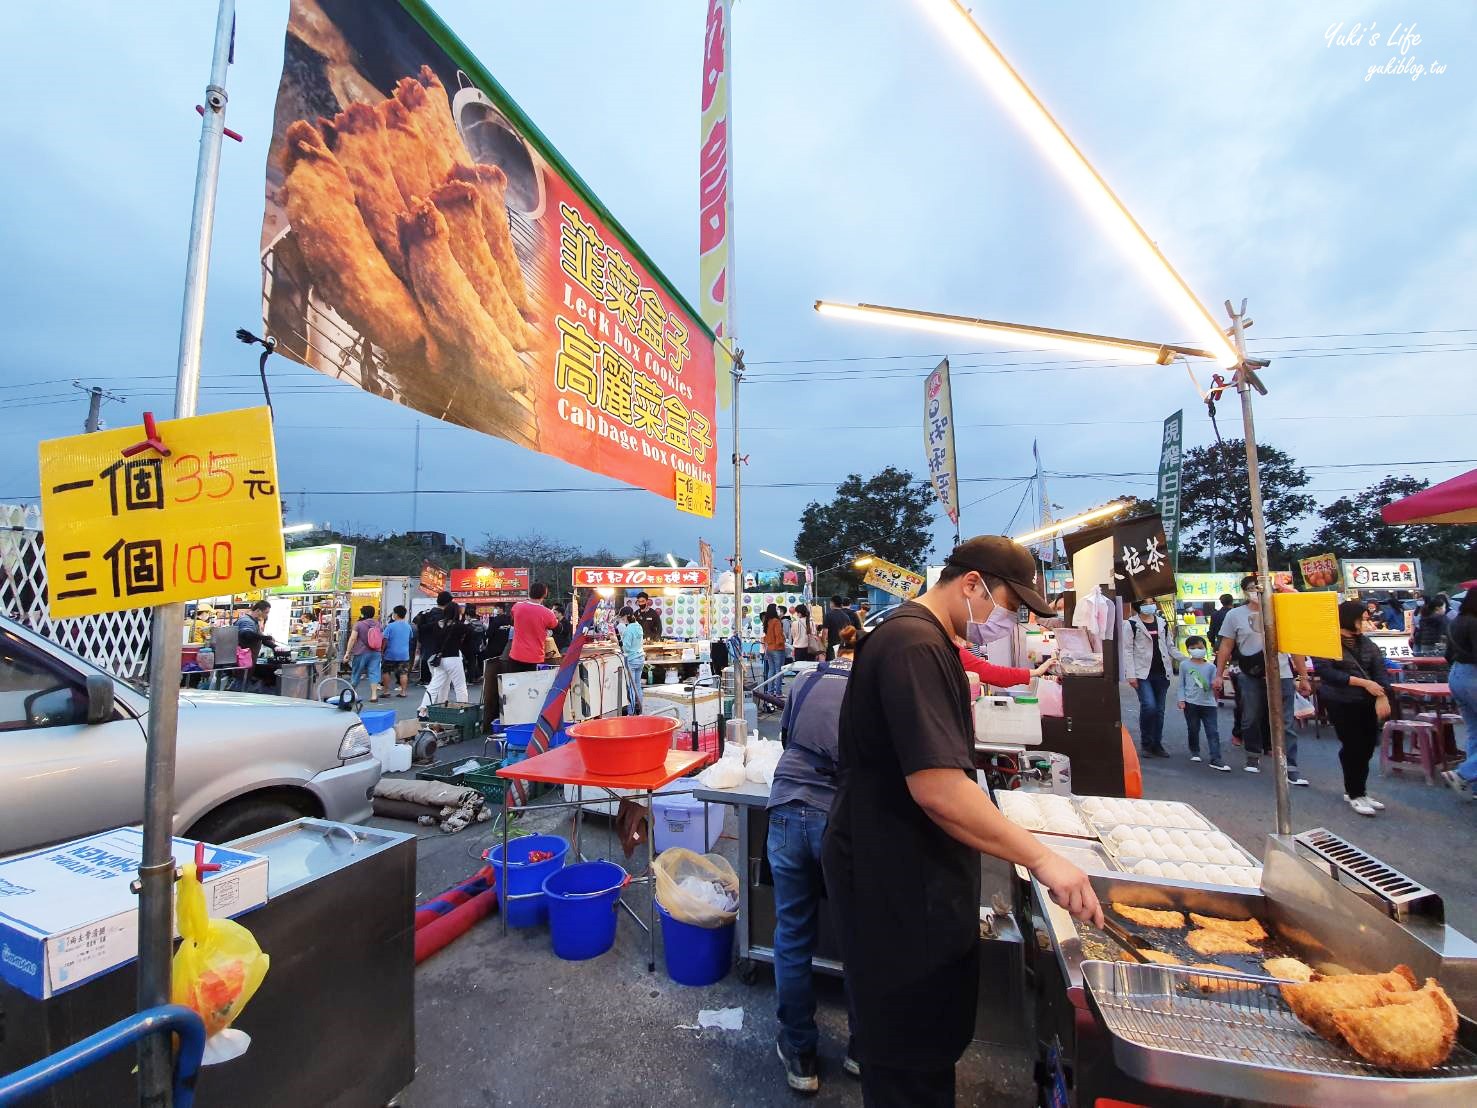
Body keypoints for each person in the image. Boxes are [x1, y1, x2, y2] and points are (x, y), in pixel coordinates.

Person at [822, 536, 1101, 1106]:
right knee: (907, 1060)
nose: (1011, 619)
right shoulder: (913, 645)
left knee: (920, 1050)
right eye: (1011, 604)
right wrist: (1043, 858)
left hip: (906, 875)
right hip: (894, 884)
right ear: (972, 583)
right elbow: (939, 790)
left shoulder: (923, 640)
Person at [769, 625, 861, 1093]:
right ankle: (862, 1050)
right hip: (838, 819)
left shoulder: (804, 679)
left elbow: (787, 739)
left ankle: (801, 1054)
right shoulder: (872, 689)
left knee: (791, 932)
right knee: (861, 935)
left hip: (786, 808)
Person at [1213, 575, 1312, 783]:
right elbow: (1226, 646)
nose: (1256, 591)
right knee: (1251, 716)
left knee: (1285, 722)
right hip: (1250, 674)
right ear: (1244, 591)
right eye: (1252, 588)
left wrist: (1303, 677)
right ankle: (1253, 755)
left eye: (1260, 587)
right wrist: (1219, 674)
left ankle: (1290, 765)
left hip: (1282, 674)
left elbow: (1295, 648)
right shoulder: (1234, 615)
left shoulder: (1282, 612)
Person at [1314, 601, 1394, 816]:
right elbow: (1328, 673)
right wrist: (1363, 683)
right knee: (1353, 745)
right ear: (1351, 619)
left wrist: (1381, 695)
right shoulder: (1326, 642)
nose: (1366, 621)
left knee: (1367, 745)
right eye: (1362, 617)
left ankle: (1360, 790)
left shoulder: (1367, 644)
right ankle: (1355, 792)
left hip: (1367, 701)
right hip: (1341, 701)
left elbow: (1380, 672)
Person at [1121, 598, 1182, 759]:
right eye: (1145, 603)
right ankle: (1146, 743)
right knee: (1149, 706)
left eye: (1151, 602)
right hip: (1143, 673)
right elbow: (1127, 650)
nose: (1150, 605)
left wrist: (1186, 659)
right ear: (1138, 606)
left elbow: (1170, 646)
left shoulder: (1162, 622)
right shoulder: (1131, 624)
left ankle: (1157, 744)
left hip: (1162, 672)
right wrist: (1131, 674)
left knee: (1160, 710)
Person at [1442, 591, 1477, 798]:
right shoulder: (1474, 623)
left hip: (1456, 675)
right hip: (1473, 675)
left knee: (1474, 733)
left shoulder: (1456, 621)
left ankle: (1474, 785)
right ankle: (1464, 774)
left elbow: (1447, 655)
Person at [1177, 635, 1228, 770]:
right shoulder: (1184, 665)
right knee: (1193, 728)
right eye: (1193, 648)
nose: (1197, 650)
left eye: (1200, 647)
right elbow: (1181, 684)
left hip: (1209, 704)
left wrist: (1217, 685)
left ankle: (1216, 757)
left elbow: (1214, 683)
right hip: (1191, 703)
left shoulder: (1211, 667)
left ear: (1205, 649)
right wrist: (1181, 699)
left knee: (1212, 731)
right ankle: (1194, 750)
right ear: (1188, 650)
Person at [419, 602, 469, 714]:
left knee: (434, 686)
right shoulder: (459, 626)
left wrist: (423, 616)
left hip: (439, 659)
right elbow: (469, 633)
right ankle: (464, 710)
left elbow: (422, 628)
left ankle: (423, 709)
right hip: (454, 659)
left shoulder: (437, 624)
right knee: (460, 686)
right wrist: (462, 618)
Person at [508, 583, 560, 672]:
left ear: (530, 592)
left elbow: (513, 620)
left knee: (517, 684)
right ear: (545, 594)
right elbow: (557, 628)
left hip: (516, 655)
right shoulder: (547, 613)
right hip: (535, 657)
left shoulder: (517, 606)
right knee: (533, 685)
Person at [234, 600, 278, 692]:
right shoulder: (246, 621)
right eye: (266, 613)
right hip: (242, 662)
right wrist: (265, 637)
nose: (266, 616)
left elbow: (259, 638)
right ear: (258, 610)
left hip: (248, 661)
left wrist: (275, 647)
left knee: (243, 684)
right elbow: (246, 634)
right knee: (240, 687)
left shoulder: (253, 622)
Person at [343, 604, 383, 703]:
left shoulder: (359, 624)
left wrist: (347, 652)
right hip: (375, 652)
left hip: (361, 652)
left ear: (362, 613)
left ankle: (351, 694)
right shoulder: (378, 624)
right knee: (374, 672)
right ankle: (374, 695)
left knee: (356, 673)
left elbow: (353, 639)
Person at [414, 592, 453, 685]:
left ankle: (425, 679)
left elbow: (420, 627)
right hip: (439, 644)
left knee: (426, 659)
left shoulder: (428, 613)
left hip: (426, 642)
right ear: (448, 603)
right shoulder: (445, 616)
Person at [380, 605, 414, 698]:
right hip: (404, 654)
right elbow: (410, 638)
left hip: (390, 654)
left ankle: (386, 691)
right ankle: (403, 692)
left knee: (386, 671)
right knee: (403, 673)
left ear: (396, 614)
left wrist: (382, 650)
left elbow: (385, 640)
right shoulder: (408, 626)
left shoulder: (390, 626)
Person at [617, 606, 645, 711]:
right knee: (638, 685)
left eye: (623, 617)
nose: (622, 619)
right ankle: (640, 710)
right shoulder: (638, 626)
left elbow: (626, 648)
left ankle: (631, 712)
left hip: (632, 660)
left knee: (631, 686)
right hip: (640, 658)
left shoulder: (628, 629)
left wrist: (617, 641)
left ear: (627, 616)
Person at [762, 603, 787, 707]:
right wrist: (783, 641)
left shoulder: (767, 621)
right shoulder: (776, 621)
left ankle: (770, 691)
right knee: (778, 671)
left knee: (771, 670)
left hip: (769, 648)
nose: (778, 611)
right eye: (777, 609)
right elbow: (778, 635)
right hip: (778, 649)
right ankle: (778, 692)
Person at [823, 596, 860, 661]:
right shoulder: (846, 616)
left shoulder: (828, 615)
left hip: (831, 645)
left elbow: (825, 631)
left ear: (832, 603)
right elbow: (849, 632)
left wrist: (823, 644)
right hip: (842, 645)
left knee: (831, 664)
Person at [461, 604, 486, 685]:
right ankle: (475, 677)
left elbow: (464, 636)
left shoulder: (468, 625)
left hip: (468, 646)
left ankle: (470, 678)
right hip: (478, 646)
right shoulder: (481, 624)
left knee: (469, 662)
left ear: (468, 616)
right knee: (473, 662)